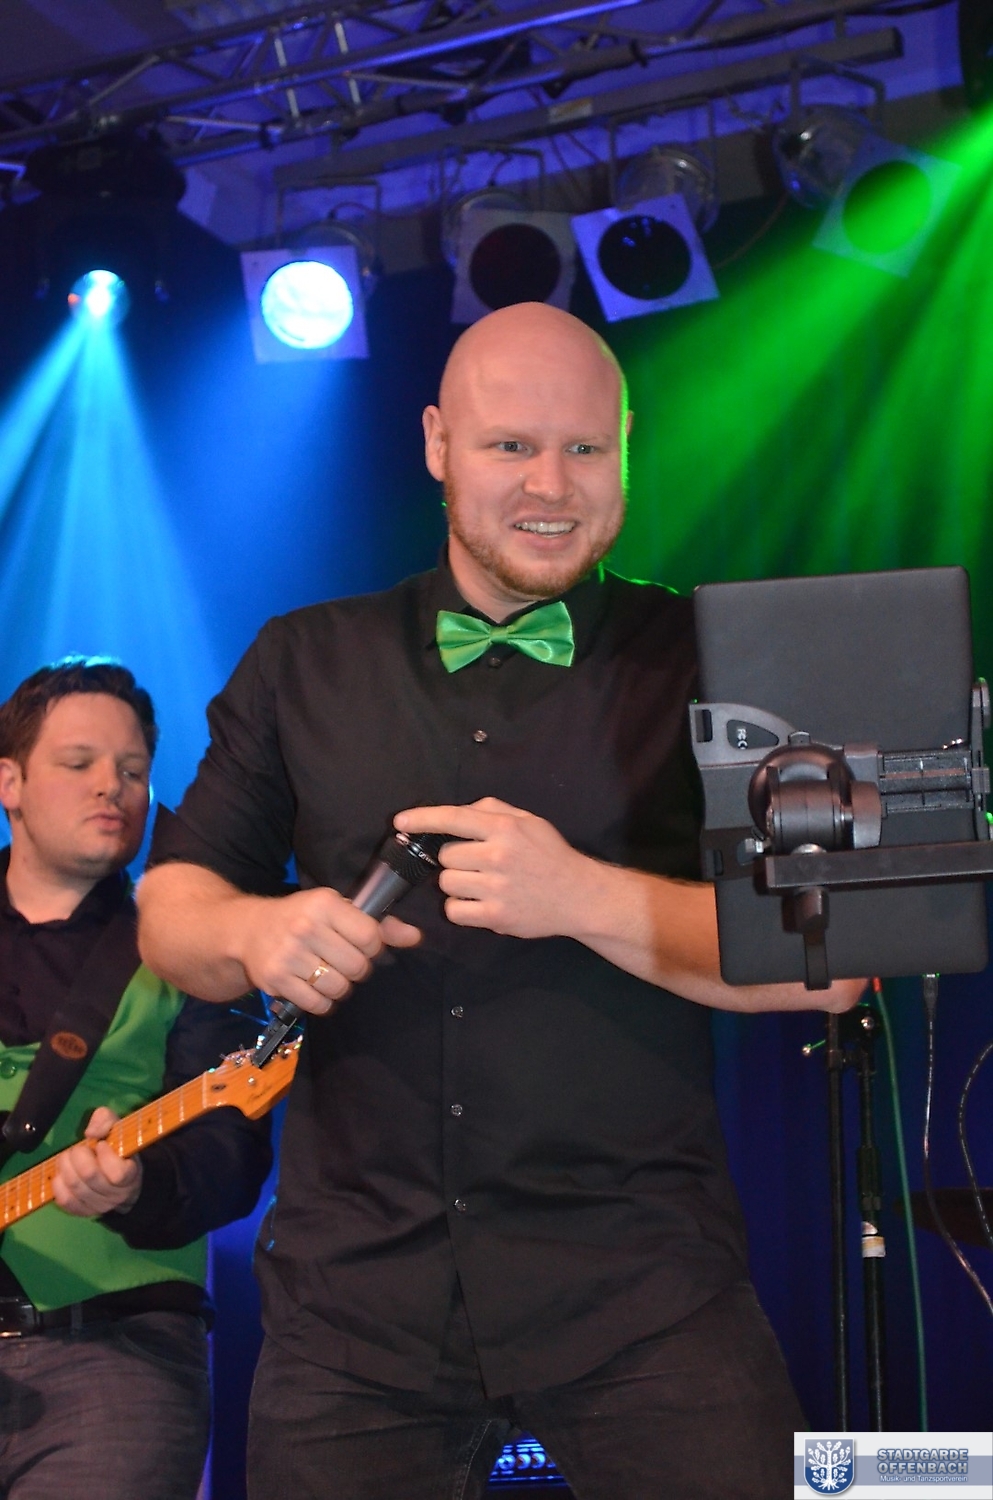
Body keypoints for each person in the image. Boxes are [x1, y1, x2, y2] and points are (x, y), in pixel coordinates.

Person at [137, 303, 864, 1500]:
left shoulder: (718, 660)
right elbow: (172, 910)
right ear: (437, 444)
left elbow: (830, 959)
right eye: (510, 446)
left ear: (628, 445)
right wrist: (256, 931)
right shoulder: (303, 660)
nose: (551, 485)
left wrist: (582, 896)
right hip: (353, 1305)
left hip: (643, 1290)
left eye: (584, 448)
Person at [0, 658, 273, 1500]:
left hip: (111, 1356)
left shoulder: (194, 947)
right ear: (9, 782)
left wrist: (136, 1186)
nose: (110, 788)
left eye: (131, 770)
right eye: (78, 763)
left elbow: (231, 1158)